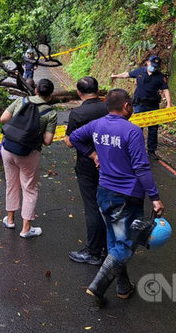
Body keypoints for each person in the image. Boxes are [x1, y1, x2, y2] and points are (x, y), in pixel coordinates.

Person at [69, 89, 164, 307]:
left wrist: (93, 154)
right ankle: (98, 286)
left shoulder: (97, 125)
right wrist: (155, 198)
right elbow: (141, 166)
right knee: (125, 244)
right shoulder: (132, 131)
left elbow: (74, 137)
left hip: (105, 193)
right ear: (127, 106)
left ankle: (123, 287)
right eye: (130, 105)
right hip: (127, 197)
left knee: (115, 240)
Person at [0, 78, 58, 239]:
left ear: (36, 89)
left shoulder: (21, 100)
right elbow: (47, 141)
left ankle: (10, 220)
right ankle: (26, 229)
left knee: (11, 185)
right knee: (29, 188)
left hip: (8, 148)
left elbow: (3, 119)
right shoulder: (50, 113)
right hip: (29, 153)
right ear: (50, 95)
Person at [63, 76, 108, 266]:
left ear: (79, 93)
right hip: (112, 164)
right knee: (108, 204)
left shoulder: (78, 113)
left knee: (92, 207)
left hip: (88, 166)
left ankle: (93, 252)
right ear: (98, 90)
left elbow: (70, 141)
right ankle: (109, 246)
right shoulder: (109, 108)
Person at [110, 55, 171, 160]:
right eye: (152, 65)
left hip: (153, 106)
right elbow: (127, 74)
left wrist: (169, 104)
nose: (154, 67)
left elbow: (165, 90)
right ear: (148, 63)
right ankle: (136, 149)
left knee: (153, 129)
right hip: (139, 105)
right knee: (137, 128)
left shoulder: (160, 77)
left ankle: (151, 151)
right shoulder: (140, 72)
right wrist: (116, 76)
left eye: (156, 66)